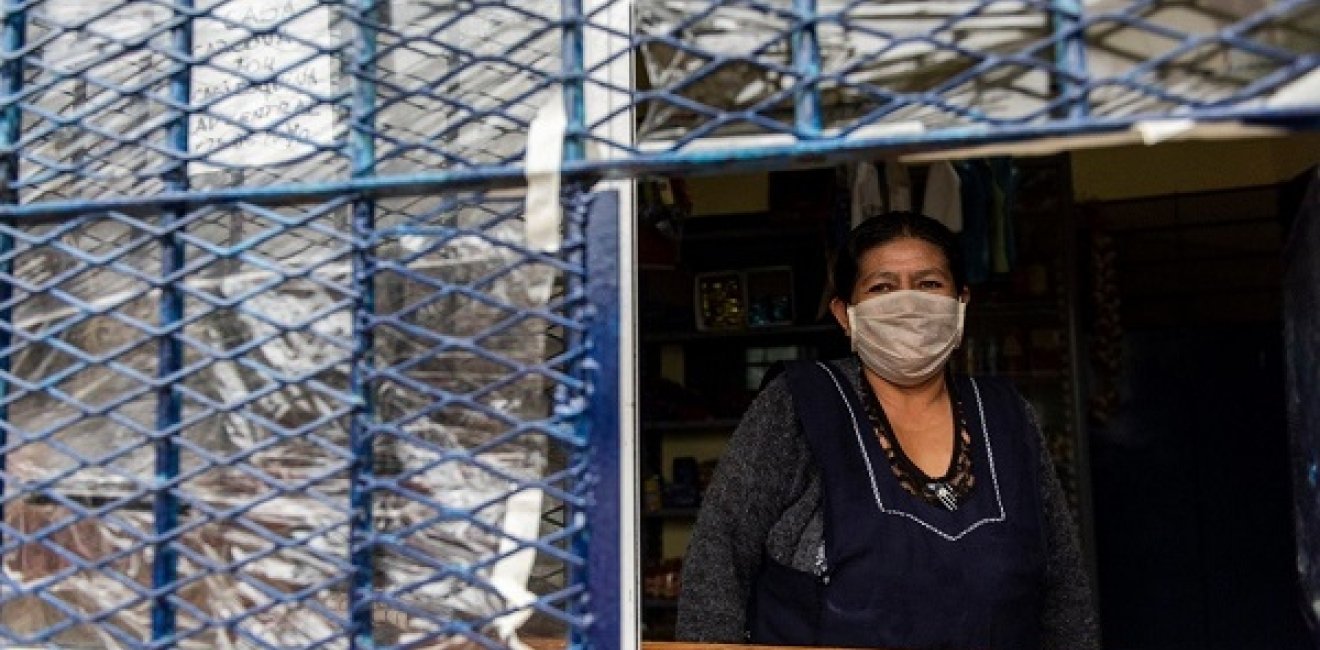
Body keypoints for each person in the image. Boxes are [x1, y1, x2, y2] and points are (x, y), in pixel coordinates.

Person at [676, 212, 1099, 649]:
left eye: (929, 284)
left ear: (961, 302)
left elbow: (1064, 580)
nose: (908, 304)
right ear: (845, 314)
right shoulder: (798, 405)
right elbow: (718, 553)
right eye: (882, 287)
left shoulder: (1007, 415)